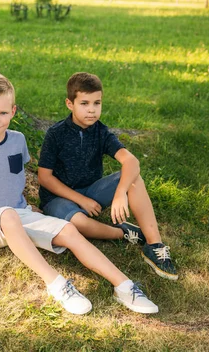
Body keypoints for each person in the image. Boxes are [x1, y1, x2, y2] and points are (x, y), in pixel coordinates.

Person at [0, 73, 159, 315]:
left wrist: (30, 208)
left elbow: (12, 180)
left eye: (2, 113)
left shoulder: (18, 141)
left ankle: (125, 286)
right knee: (9, 216)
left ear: (13, 111)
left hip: (21, 215)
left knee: (70, 230)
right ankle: (58, 285)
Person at [37, 72, 178, 281]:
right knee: (79, 223)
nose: (92, 110)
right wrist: (80, 200)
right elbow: (45, 178)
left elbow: (132, 162)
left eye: (97, 103)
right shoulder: (56, 134)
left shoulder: (101, 132)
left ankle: (154, 245)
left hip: (92, 191)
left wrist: (120, 193)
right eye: (84, 103)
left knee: (133, 179)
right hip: (59, 199)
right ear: (70, 103)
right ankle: (123, 233)